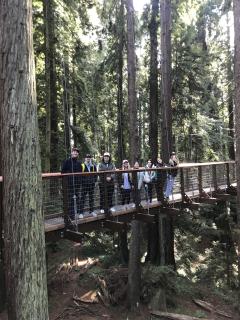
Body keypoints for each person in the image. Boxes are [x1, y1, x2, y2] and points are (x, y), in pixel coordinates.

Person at [61, 147, 82, 222]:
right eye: (74, 152)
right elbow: (62, 172)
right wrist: (69, 176)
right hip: (68, 184)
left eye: (76, 152)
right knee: (68, 200)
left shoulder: (79, 163)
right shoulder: (67, 161)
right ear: (71, 153)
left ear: (78, 154)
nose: (75, 153)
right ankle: (67, 215)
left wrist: (79, 183)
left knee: (74, 200)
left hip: (76, 185)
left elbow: (80, 174)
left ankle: (72, 215)